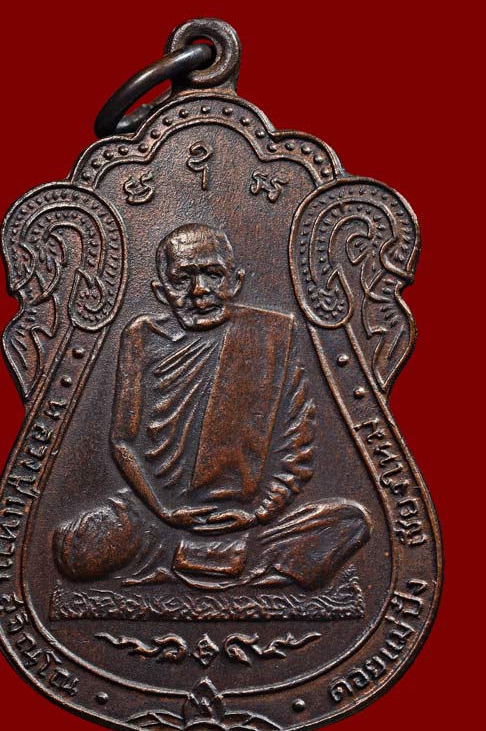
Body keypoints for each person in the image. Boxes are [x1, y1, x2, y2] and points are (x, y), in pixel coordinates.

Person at [55, 223, 370, 589]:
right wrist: (165, 511)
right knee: (75, 549)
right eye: (182, 279)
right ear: (160, 291)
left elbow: (297, 445)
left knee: (351, 521)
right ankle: (250, 563)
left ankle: (228, 554)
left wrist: (259, 512)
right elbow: (123, 441)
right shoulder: (142, 336)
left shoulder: (272, 335)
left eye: (213, 274)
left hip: (249, 516)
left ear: (235, 283)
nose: (199, 291)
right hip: (155, 513)